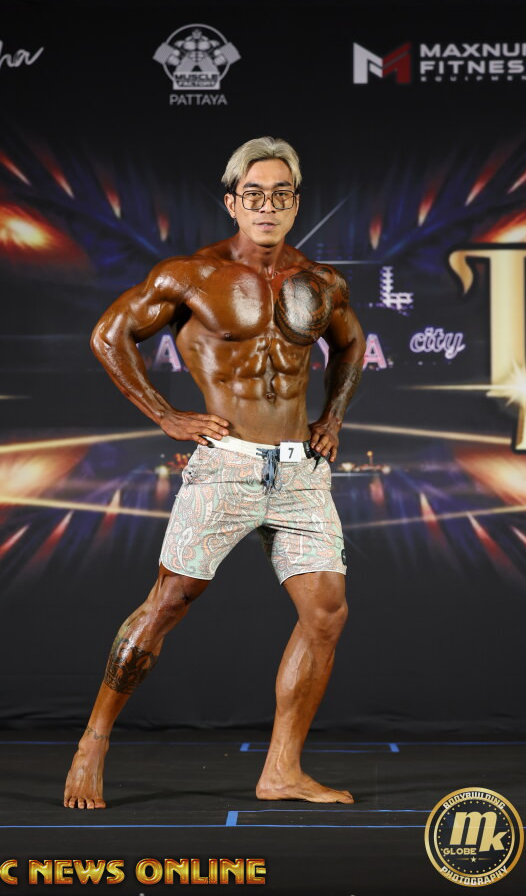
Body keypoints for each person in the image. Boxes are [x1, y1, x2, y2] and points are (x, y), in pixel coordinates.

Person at [64, 136, 366, 810]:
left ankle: (281, 770)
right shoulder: (192, 275)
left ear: (295, 203)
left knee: (326, 614)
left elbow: (351, 344)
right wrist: (165, 414)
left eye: (280, 194)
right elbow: (109, 335)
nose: (267, 206)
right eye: (253, 194)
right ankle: (94, 740)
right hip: (225, 467)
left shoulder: (321, 281)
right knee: (169, 601)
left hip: (300, 474)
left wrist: (333, 417)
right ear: (232, 202)